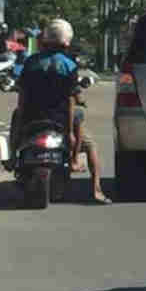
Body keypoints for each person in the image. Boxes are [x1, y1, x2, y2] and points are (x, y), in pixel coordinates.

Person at [11, 19, 108, 204]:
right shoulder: (69, 65)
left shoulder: (31, 62)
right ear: (66, 42)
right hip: (60, 120)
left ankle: (12, 156)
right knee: (89, 140)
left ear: (45, 40)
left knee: (16, 115)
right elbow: (71, 98)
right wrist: (70, 133)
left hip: (32, 118)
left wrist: (22, 115)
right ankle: (91, 184)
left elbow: (22, 95)